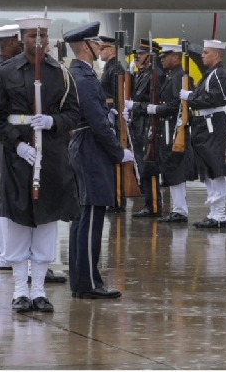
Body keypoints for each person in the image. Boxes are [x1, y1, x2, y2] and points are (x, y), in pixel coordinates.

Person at [0, 15, 79, 313]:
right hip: (17, 159)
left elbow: (75, 114)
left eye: (43, 37)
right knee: (17, 224)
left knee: (45, 224)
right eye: (32, 37)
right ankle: (19, 290)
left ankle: (38, 289)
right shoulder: (5, 73)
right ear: (21, 38)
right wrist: (17, 144)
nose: (39, 43)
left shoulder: (61, 73)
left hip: (50, 157)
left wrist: (54, 121)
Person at [64, 23, 131, 300]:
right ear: (86, 46)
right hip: (90, 146)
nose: (99, 49)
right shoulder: (84, 76)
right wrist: (118, 151)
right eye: (96, 44)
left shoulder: (77, 73)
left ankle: (82, 281)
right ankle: (89, 283)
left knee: (83, 217)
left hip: (83, 144)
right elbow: (96, 120)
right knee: (91, 215)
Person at [179, 39, 226, 229]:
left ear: (217, 55)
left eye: (206, 53)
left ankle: (219, 215)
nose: (202, 56)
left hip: (213, 123)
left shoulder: (220, 75)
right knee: (207, 170)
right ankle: (214, 213)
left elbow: (218, 97)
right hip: (203, 124)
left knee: (215, 169)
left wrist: (191, 97)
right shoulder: (211, 74)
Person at [0, 23, 22, 272]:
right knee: (6, 192)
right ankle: (5, 253)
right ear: (10, 42)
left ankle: (3, 253)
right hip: (3, 136)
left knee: (3, 192)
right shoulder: (3, 71)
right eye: (20, 40)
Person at [153, 43, 194, 224]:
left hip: (173, 126)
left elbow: (177, 104)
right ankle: (178, 209)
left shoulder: (179, 77)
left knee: (175, 167)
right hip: (168, 126)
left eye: (165, 57)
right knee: (170, 166)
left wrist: (156, 109)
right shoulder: (172, 76)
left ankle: (180, 210)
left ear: (176, 57)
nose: (162, 60)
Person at [126, 39, 164, 217]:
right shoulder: (142, 74)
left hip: (148, 125)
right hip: (139, 125)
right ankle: (149, 203)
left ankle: (154, 205)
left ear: (150, 56)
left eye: (140, 54)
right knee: (143, 167)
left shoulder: (155, 75)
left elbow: (153, 102)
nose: (137, 57)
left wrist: (135, 106)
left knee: (150, 167)